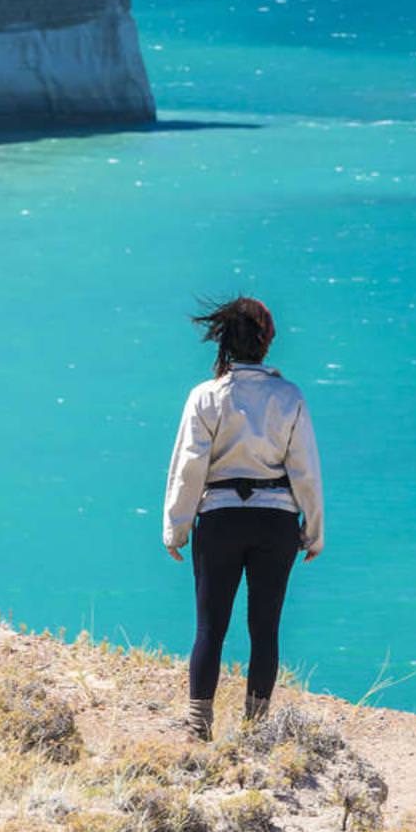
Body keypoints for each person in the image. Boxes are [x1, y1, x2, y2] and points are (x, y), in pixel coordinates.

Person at [160, 295, 324, 741]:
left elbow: (189, 467)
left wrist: (175, 528)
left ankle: (198, 726)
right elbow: (304, 469)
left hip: (220, 520)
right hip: (275, 523)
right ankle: (255, 730)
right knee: (265, 628)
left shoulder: (206, 397)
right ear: (267, 342)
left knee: (211, 626)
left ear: (225, 343)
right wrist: (312, 531)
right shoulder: (289, 396)